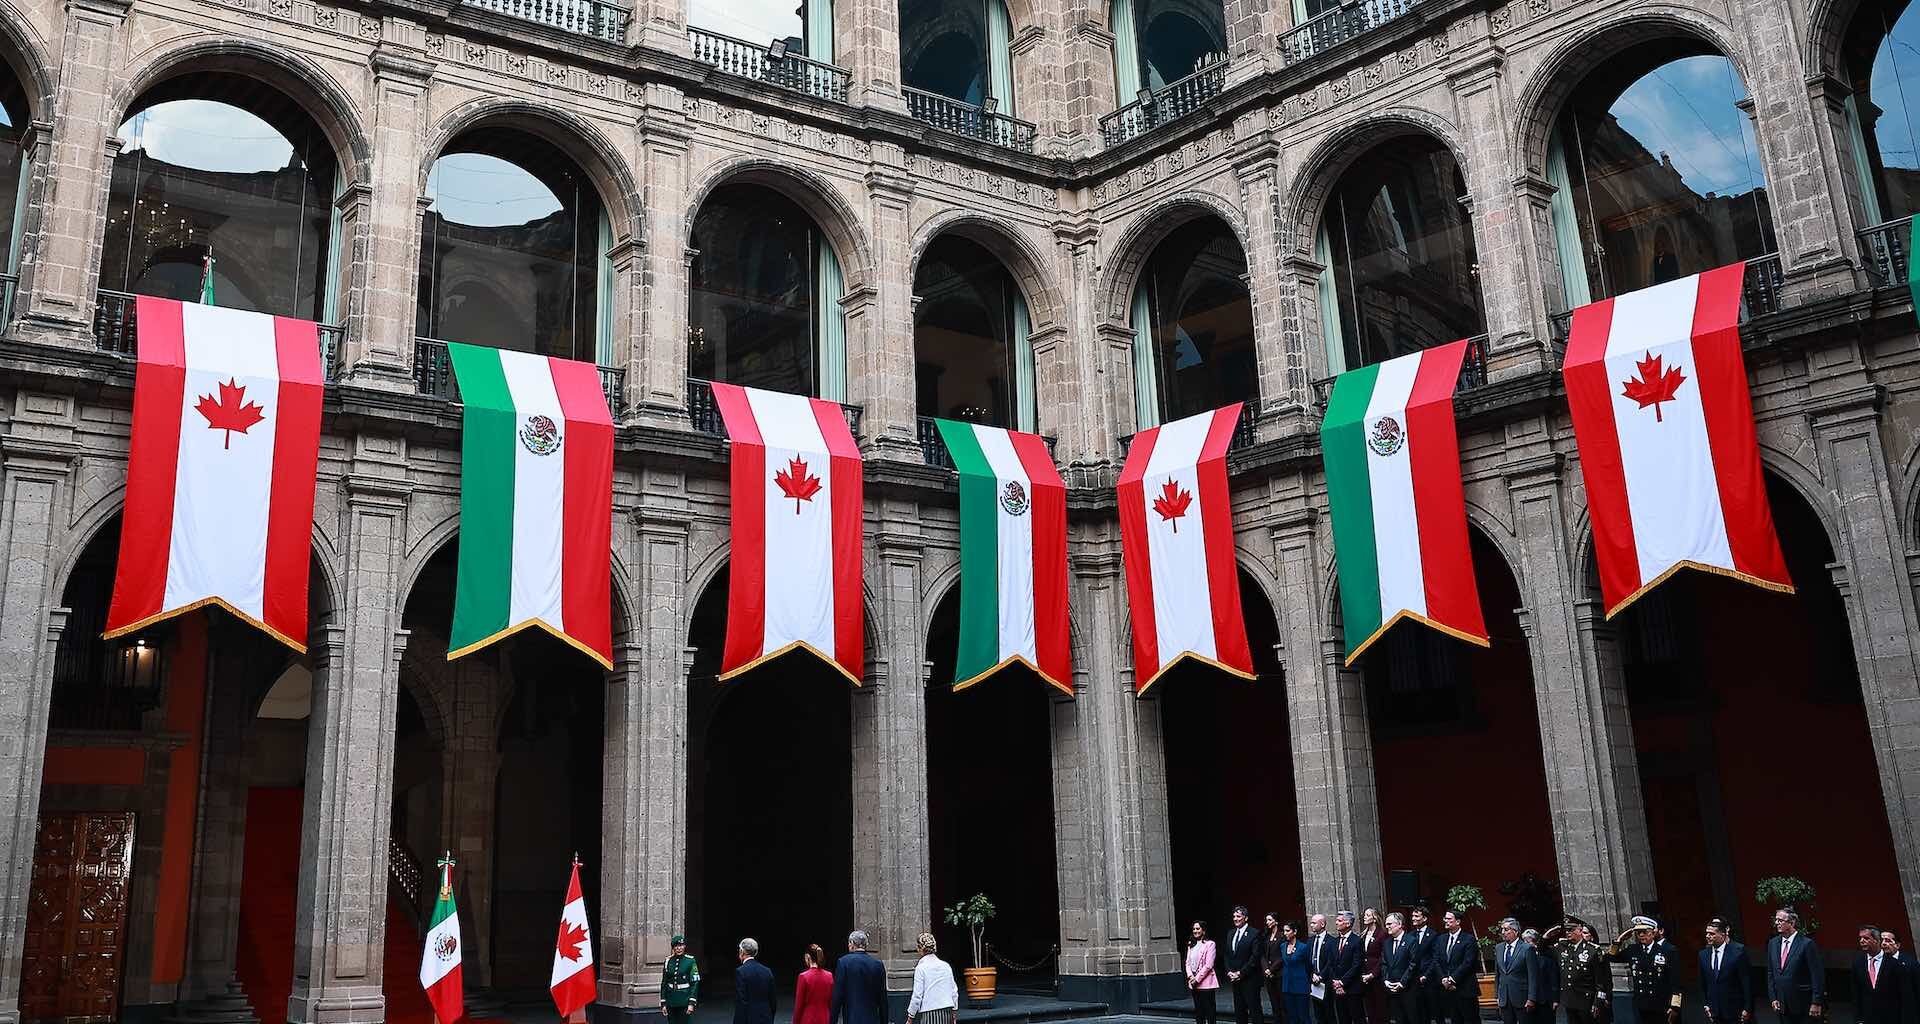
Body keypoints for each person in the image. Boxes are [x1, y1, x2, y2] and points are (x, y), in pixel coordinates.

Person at [1607, 915, 1679, 1024]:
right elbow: (1611, 957)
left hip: (1661, 1004)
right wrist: (1619, 940)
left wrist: (1675, 1006)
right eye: (1638, 932)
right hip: (1640, 1003)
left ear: (1653, 933)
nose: (1641, 935)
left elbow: (1675, 981)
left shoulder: (1667, 951)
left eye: (1644, 932)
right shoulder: (1633, 950)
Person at [1767, 909, 1824, 1024]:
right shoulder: (1772, 943)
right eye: (1776, 920)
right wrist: (1773, 997)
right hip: (1782, 1004)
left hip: (1803, 1004)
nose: (1777, 923)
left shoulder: (1806, 944)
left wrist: (1816, 1002)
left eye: (1780, 920)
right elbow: (1770, 972)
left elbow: (1817, 975)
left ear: (1792, 923)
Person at [1548, 920, 1603, 1024]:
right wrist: (1548, 934)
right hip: (1569, 1000)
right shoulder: (1562, 947)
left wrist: (1598, 1002)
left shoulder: (1593, 950)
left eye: (1571, 930)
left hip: (1586, 1000)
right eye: (1567, 930)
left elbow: (1600, 980)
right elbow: (1542, 949)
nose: (1568, 932)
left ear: (1580, 930)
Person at [1698, 918, 1751, 1024]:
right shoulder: (1703, 954)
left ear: (1722, 935)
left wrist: (1748, 1007)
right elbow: (1703, 982)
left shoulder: (1737, 952)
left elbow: (1746, 982)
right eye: (1707, 933)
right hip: (1714, 1011)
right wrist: (1706, 1004)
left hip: (1735, 1010)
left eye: (1712, 934)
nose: (1708, 936)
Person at [830, 929, 889, 1024]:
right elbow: (883, 1000)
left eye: (849, 943)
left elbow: (837, 997)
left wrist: (833, 1021)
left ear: (853, 943)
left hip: (851, 1019)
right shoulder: (878, 964)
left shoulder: (843, 963)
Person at [1435, 909, 1480, 1024]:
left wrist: (1452, 979)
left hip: (1465, 988)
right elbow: (1436, 961)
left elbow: (1468, 963)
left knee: (1471, 1019)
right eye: (1445, 918)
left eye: (1449, 919)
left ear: (1458, 921)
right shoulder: (1441, 939)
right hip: (1448, 990)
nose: (1446, 921)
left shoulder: (1468, 939)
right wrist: (1444, 978)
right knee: (1454, 1020)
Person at [1494, 918, 1541, 1024]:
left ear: (1515, 931)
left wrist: (1531, 998)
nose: (1503, 932)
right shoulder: (1499, 948)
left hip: (1522, 998)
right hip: (1504, 998)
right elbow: (1498, 974)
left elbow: (1533, 976)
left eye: (1506, 929)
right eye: (1502, 929)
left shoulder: (1527, 948)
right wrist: (1497, 995)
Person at [1227, 906, 1268, 1024]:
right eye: (1234, 916)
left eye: (1238, 916)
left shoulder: (1254, 933)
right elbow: (1227, 954)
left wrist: (1241, 973)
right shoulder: (1230, 933)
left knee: (1255, 1010)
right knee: (1239, 1011)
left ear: (1246, 918)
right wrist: (1229, 971)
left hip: (1250, 979)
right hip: (1235, 979)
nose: (1235, 919)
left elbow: (1255, 957)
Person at [906, 933, 959, 1024]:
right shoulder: (946, 966)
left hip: (929, 1013)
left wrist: (910, 1017)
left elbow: (917, 996)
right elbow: (954, 991)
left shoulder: (921, 968)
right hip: (947, 1011)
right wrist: (954, 1012)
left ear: (920, 948)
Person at [1382, 913, 1421, 1024]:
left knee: (1413, 1019)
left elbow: (1413, 964)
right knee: (1399, 1019)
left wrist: (1402, 983)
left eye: (1390, 924)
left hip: (1408, 989)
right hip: (1392, 989)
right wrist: (1386, 981)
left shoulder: (1411, 940)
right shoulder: (1386, 943)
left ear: (1399, 925)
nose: (1387, 926)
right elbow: (1384, 964)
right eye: (1386, 924)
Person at [1332, 911, 1366, 1024]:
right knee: (1342, 1019)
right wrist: (1336, 982)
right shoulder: (1335, 941)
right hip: (1337, 988)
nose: (1336, 923)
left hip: (1352, 988)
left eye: (1339, 921)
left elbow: (1357, 965)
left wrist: (1342, 982)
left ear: (1348, 924)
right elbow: (1331, 963)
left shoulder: (1357, 941)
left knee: (1358, 1018)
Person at [1406, 908, 1439, 1024]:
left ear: (1424, 918)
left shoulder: (1433, 935)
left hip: (1430, 979)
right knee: (1420, 1012)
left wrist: (1426, 975)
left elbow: (1435, 958)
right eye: (1413, 916)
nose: (1413, 919)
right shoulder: (1410, 935)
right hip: (1414, 979)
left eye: (1417, 916)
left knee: (1436, 1011)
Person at [735, 938, 777, 1024]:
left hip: (749, 1019)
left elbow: (742, 1002)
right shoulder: (767, 971)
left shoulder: (741, 971)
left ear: (742, 952)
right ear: (756, 952)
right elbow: (772, 999)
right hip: (766, 1018)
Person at [663, 934, 701, 1024]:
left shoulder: (690, 961)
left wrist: (691, 1003)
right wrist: (663, 1003)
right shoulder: (668, 961)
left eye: (681, 946)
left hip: (684, 1000)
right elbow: (664, 982)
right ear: (673, 948)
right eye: (676, 946)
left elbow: (695, 983)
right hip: (671, 1001)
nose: (679, 948)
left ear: (684, 946)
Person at [1190, 920, 1221, 1024]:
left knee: (1210, 1013)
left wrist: (1197, 979)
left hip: (1206, 984)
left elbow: (1208, 965)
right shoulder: (1191, 944)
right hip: (1194, 983)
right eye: (1194, 929)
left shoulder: (1210, 944)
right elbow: (1187, 963)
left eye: (1198, 928)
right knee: (1199, 1013)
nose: (1195, 931)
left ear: (1203, 930)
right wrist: (1190, 977)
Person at [1526, 929, 1560, 1024]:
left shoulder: (1546, 959)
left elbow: (1553, 980)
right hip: (1528, 1001)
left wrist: (1555, 1000)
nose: (1527, 944)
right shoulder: (1522, 960)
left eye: (1528, 941)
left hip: (1545, 1000)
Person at [1282, 922, 1313, 1024]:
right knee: (1292, 1017)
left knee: (1303, 1016)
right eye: (1284, 931)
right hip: (1287, 986)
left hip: (1301, 986)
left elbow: (1309, 966)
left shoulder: (1303, 947)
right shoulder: (1282, 946)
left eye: (1288, 931)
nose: (1285, 933)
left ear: (1294, 932)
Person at [795, 944, 834, 1024]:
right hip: (825, 1018)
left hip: (808, 1019)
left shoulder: (803, 976)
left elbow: (799, 1006)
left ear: (807, 957)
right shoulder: (829, 976)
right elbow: (831, 1002)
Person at [1309, 914, 1336, 1024]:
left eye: (1314, 923)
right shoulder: (1310, 940)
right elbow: (1308, 960)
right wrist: (1312, 974)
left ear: (1322, 924)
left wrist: (1321, 976)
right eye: (1311, 922)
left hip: (1326, 982)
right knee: (1318, 1014)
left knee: (1329, 1013)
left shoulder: (1331, 941)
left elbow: (1331, 962)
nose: (1311, 925)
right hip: (1314, 982)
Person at [1264, 913, 1288, 1024]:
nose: (1267, 922)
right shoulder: (1267, 936)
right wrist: (1266, 969)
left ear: (1276, 921)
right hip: (1269, 975)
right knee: (1274, 1003)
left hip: (1279, 973)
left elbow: (1282, 956)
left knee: (1283, 1003)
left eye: (1269, 920)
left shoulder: (1282, 936)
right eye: (1266, 920)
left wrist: (1272, 969)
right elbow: (1263, 955)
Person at [1364, 910, 1386, 1024]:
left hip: (1376, 975)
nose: (1364, 917)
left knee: (1380, 1007)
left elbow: (1383, 956)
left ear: (1375, 918)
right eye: (1364, 915)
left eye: (1368, 915)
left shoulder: (1381, 934)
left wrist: (1373, 974)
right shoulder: (1363, 934)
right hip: (1365, 975)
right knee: (1369, 1006)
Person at [1857, 925, 1885, 1015]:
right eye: (1860, 938)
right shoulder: (1858, 963)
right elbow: (1856, 995)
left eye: (1866, 938)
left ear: (1877, 940)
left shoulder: (1893, 963)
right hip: (1867, 1016)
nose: (1861, 941)